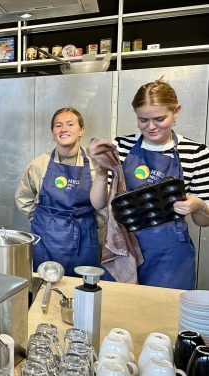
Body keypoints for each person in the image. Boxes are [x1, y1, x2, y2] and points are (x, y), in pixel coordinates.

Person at [89, 79, 209, 290]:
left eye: (160, 118)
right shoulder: (122, 147)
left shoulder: (197, 153)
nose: (151, 126)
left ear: (176, 111)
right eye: (143, 119)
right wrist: (100, 172)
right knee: (121, 316)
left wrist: (199, 206)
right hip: (124, 248)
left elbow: (203, 221)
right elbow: (98, 203)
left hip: (171, 258)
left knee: (165, 318)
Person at [15, 108, 100, 277]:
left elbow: (104, 204)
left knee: (82, 289)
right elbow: (23, 197)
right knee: (44, 286)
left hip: (84, 238)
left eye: (70, 124)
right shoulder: (40, 164)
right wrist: (40, 219)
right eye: (58, 125)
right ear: (53, 132)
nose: (63, 129)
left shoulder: (95, 165)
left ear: (81, 130)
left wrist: (91, 223)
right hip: (46, 238)